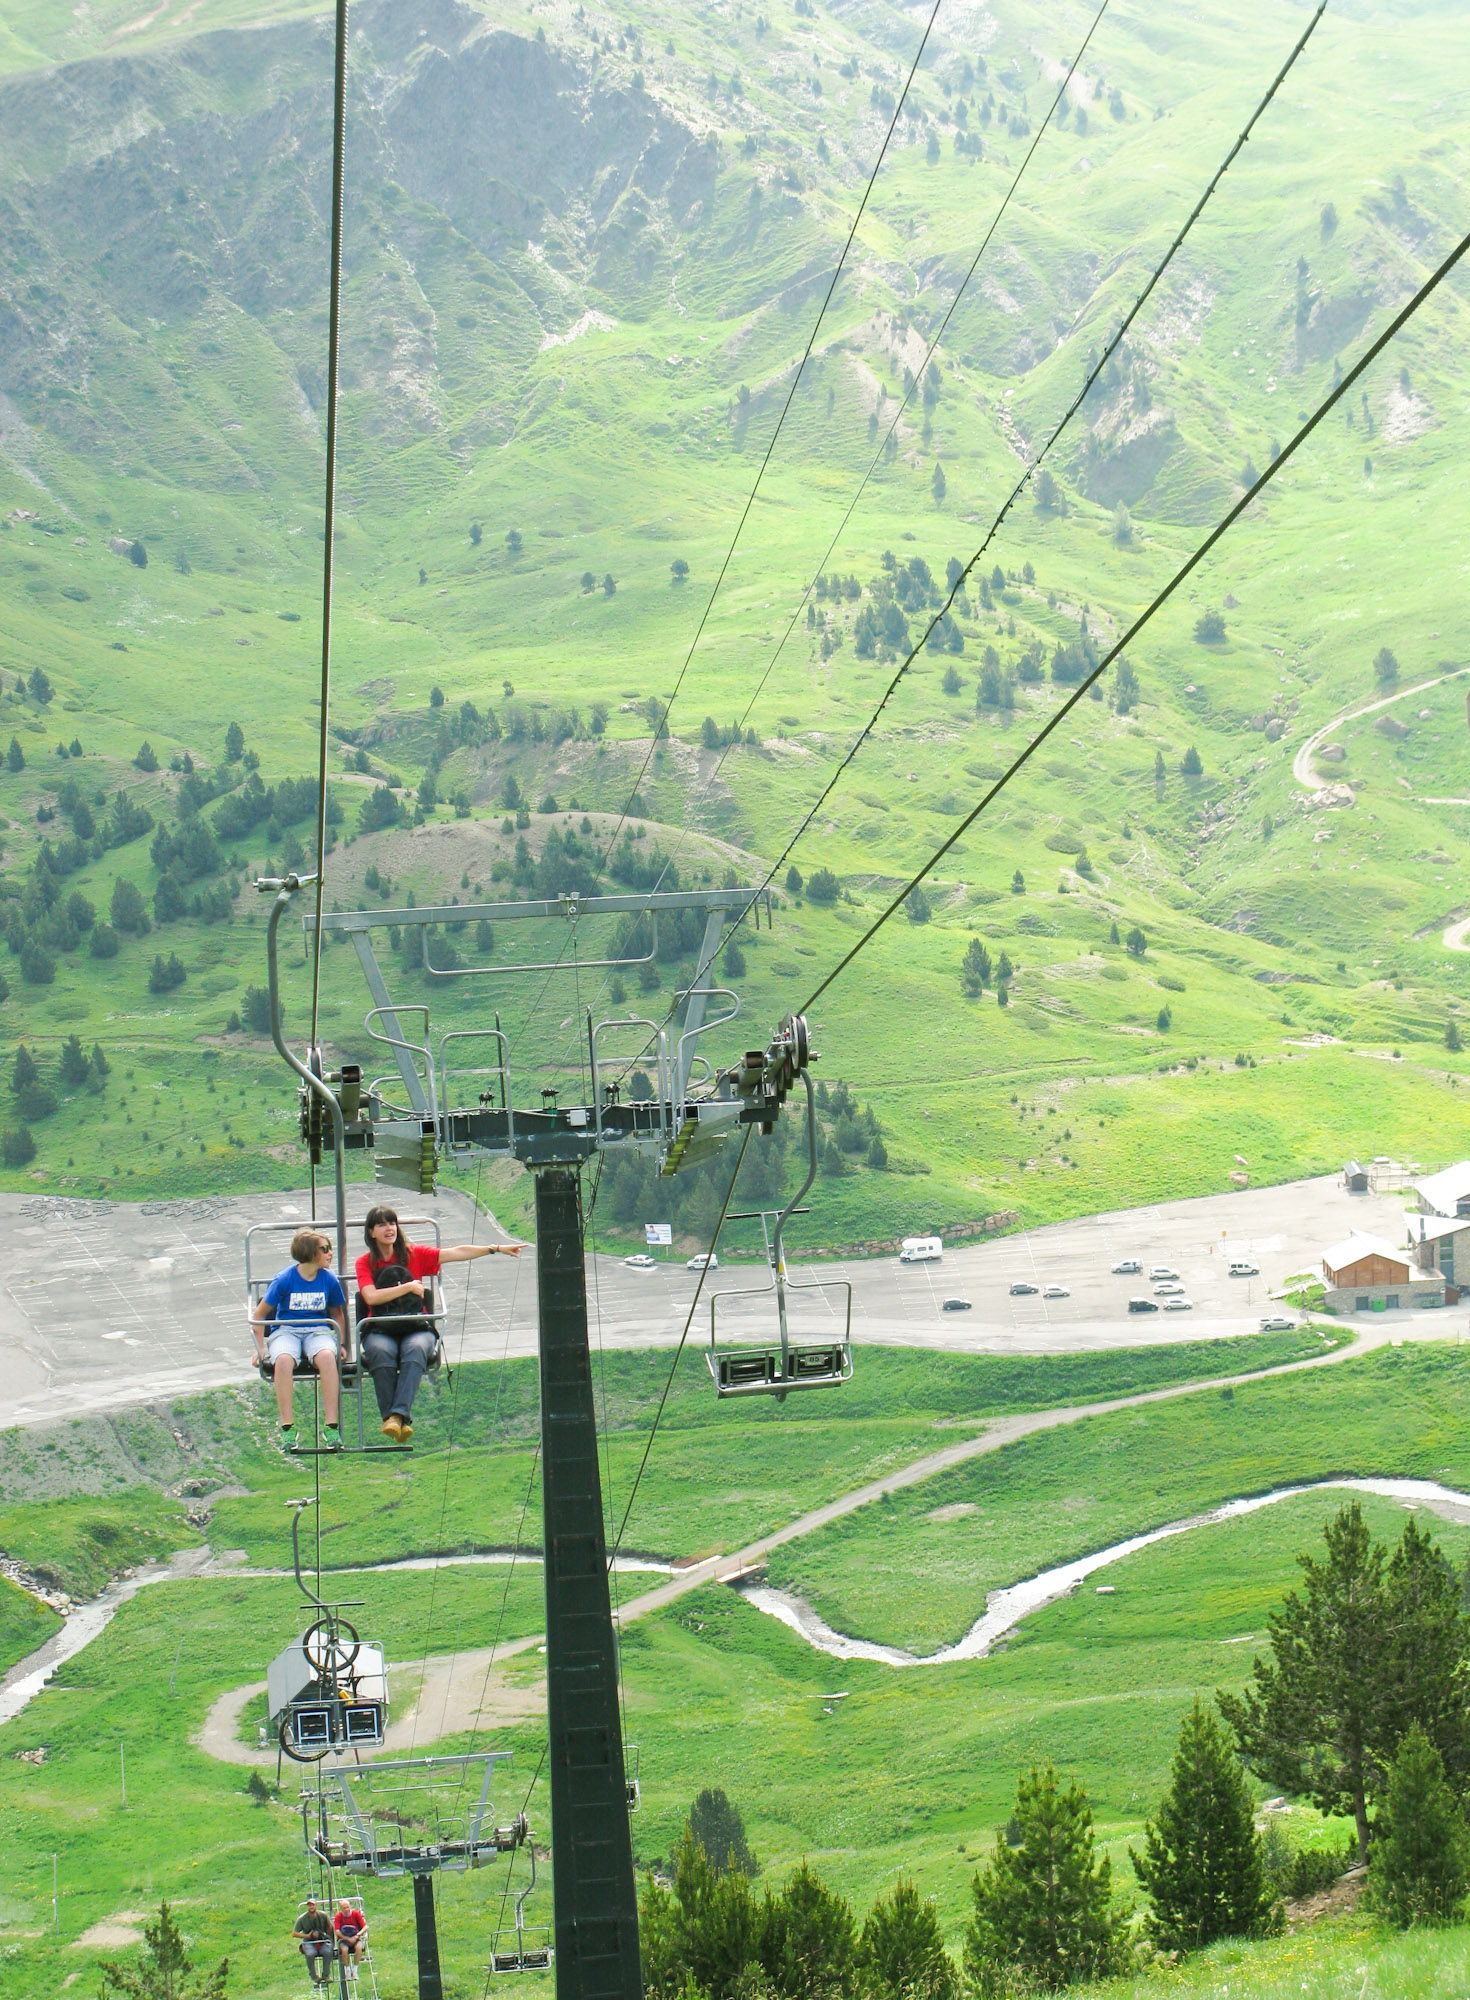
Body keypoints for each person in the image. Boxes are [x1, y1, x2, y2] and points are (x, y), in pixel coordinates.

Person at [355, 1204, 520, 1442]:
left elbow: (455, 1253)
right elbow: (370, 1297)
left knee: (416, 1349)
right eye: (382, 1224)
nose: (389, 1228)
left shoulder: (413, 1255)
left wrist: (494, 1248)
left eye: (391, 1223)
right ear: (371, 1232)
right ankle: (396, 1418)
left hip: (415, 1325)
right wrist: (408, 1287)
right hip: (381, 1327)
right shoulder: (365, 1263)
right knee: (381, 1352)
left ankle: (396, 1417)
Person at [253, 1231, 347, 1451]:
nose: (330, 1253)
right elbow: (259, 1315)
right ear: (309, 1252)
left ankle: (331, 1425)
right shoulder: (285, 1279)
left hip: (318, 1330)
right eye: (324, 1249)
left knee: (326, 1357)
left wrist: (340, 1344)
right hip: (287, 1330)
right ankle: (288, 1427)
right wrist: (259, 1349)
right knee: (284, 1360)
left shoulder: (329, 1279)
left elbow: (337, 1314)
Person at [293, 1899, 333, 1986]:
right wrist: (307, 1936)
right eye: (309, 1905)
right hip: (309, 1942)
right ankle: (313, 1975)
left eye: (313, 1905)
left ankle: (326, 1975)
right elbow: (294, 1933)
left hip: (322, 1939)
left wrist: (331, 1940)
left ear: (316, 1906)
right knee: (310, 1954)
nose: (311, 1907)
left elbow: (329, 1927)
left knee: (327, 1952)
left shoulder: (323, 1915)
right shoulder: (302, 1919)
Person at [334, 1902, 368, 1979]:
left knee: (359, 1947)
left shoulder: (356, 1914)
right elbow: (337, 1931)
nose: (346, 1909)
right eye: (344, 1908)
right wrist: (347, 1938)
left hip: (355, 1938)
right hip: (344, 1940)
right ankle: (347, 1969)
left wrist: (357, 1936)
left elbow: (365, 1927)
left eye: (347, 1907)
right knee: (344, 1949)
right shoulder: (338, 1916)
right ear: (341, 1909)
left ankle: (355, 1969)